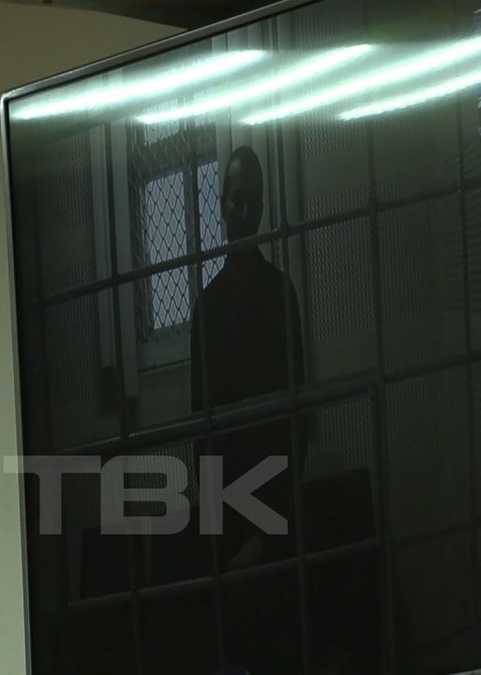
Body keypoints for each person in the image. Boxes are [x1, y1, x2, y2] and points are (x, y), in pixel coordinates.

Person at [190, 144, 307, 675]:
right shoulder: (209, 308)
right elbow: (202, 432)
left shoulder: (279, 294)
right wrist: (233, 535)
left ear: (260, 208)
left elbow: (297, 415)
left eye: (251, 201)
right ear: (221, 205)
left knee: (275, 644)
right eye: (236, 200)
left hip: (272, 508)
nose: (242, 210)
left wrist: (268, 531)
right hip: (239, 514)